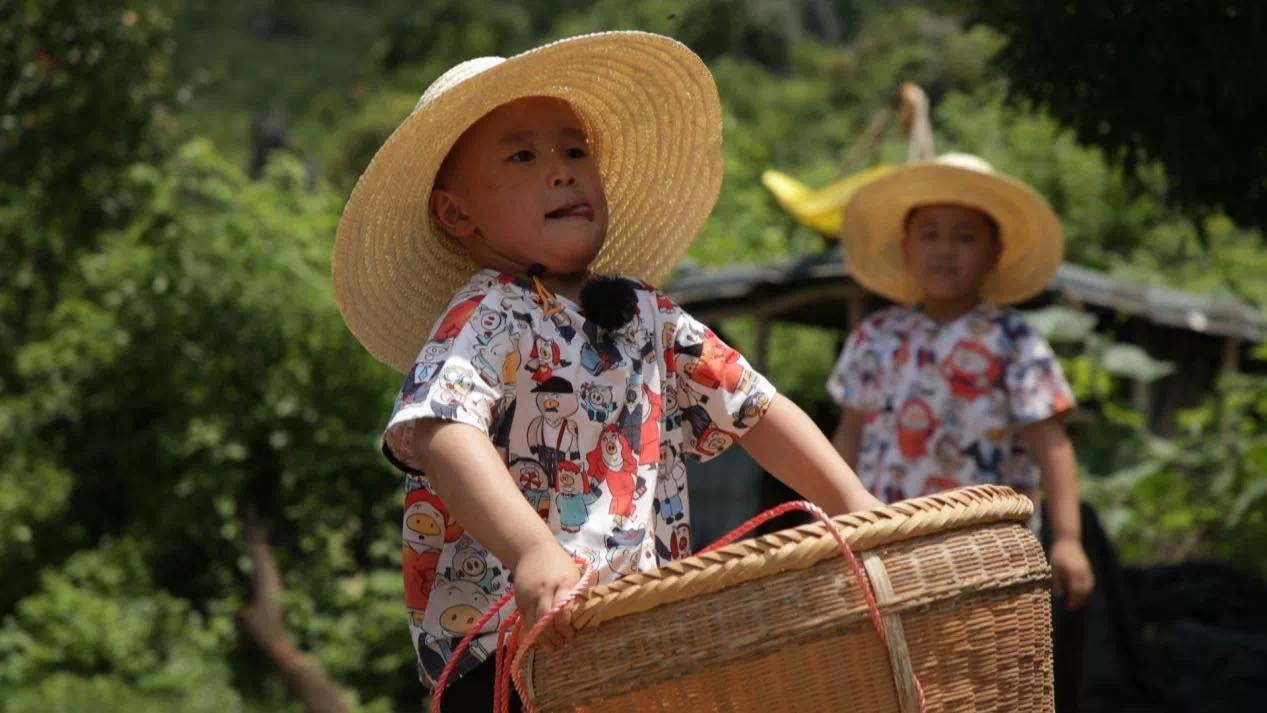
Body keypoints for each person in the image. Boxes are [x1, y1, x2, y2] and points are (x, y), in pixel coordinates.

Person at [332, 32, 882, 712]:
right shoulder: (486, 314)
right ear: (456, 212)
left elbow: (753, 407)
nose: (561, 170)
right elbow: (445, 432)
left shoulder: (645, 312)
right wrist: (533, 552)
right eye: (523, 156)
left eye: (573, 150)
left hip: (633, 628)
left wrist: (856, 507)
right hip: (507, 642)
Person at [826, 153, 1095, 614]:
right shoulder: (875, 337)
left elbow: (1052, 444)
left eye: (965, 237)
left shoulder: (1014, 341)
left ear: (995, 253)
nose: (945, 250)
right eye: (929, 235)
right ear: (906, 247)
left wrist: (1067, 539)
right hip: (883, 548)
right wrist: (828, 523)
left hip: (988, 553)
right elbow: (848, 436)